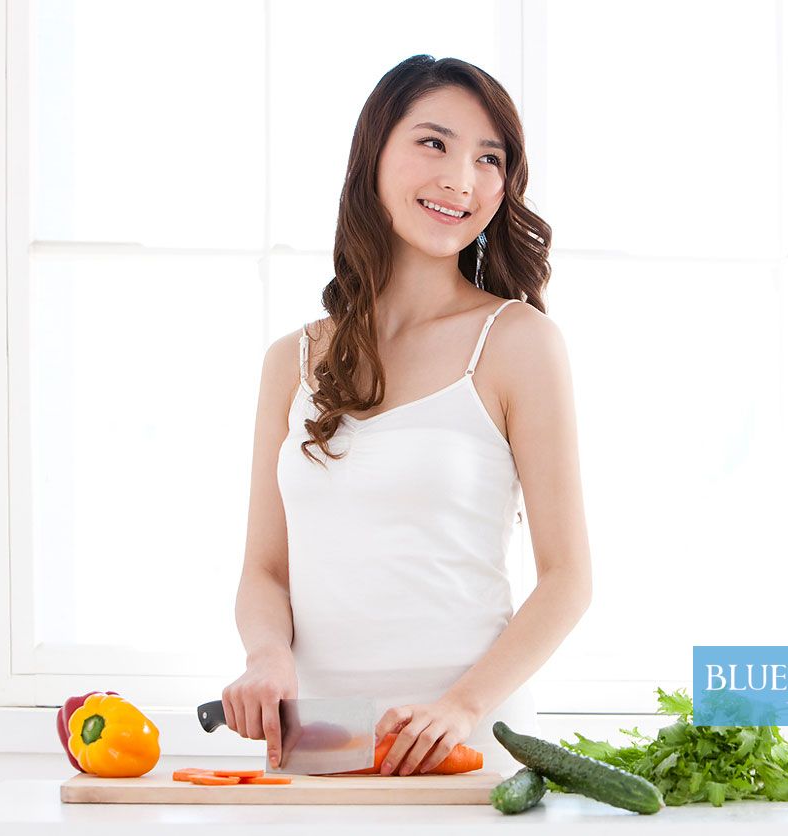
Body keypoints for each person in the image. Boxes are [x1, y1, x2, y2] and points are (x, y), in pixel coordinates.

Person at [221, 54, 592, 779]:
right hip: (319, 745)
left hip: (466, 747)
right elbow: (265, 569)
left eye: (489, 158)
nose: (461, 177)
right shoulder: (290, 361)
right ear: (373, 156)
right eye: (433, 142)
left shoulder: (516, 343)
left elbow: (567, 579)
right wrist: (265, 656)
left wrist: (461, 707)